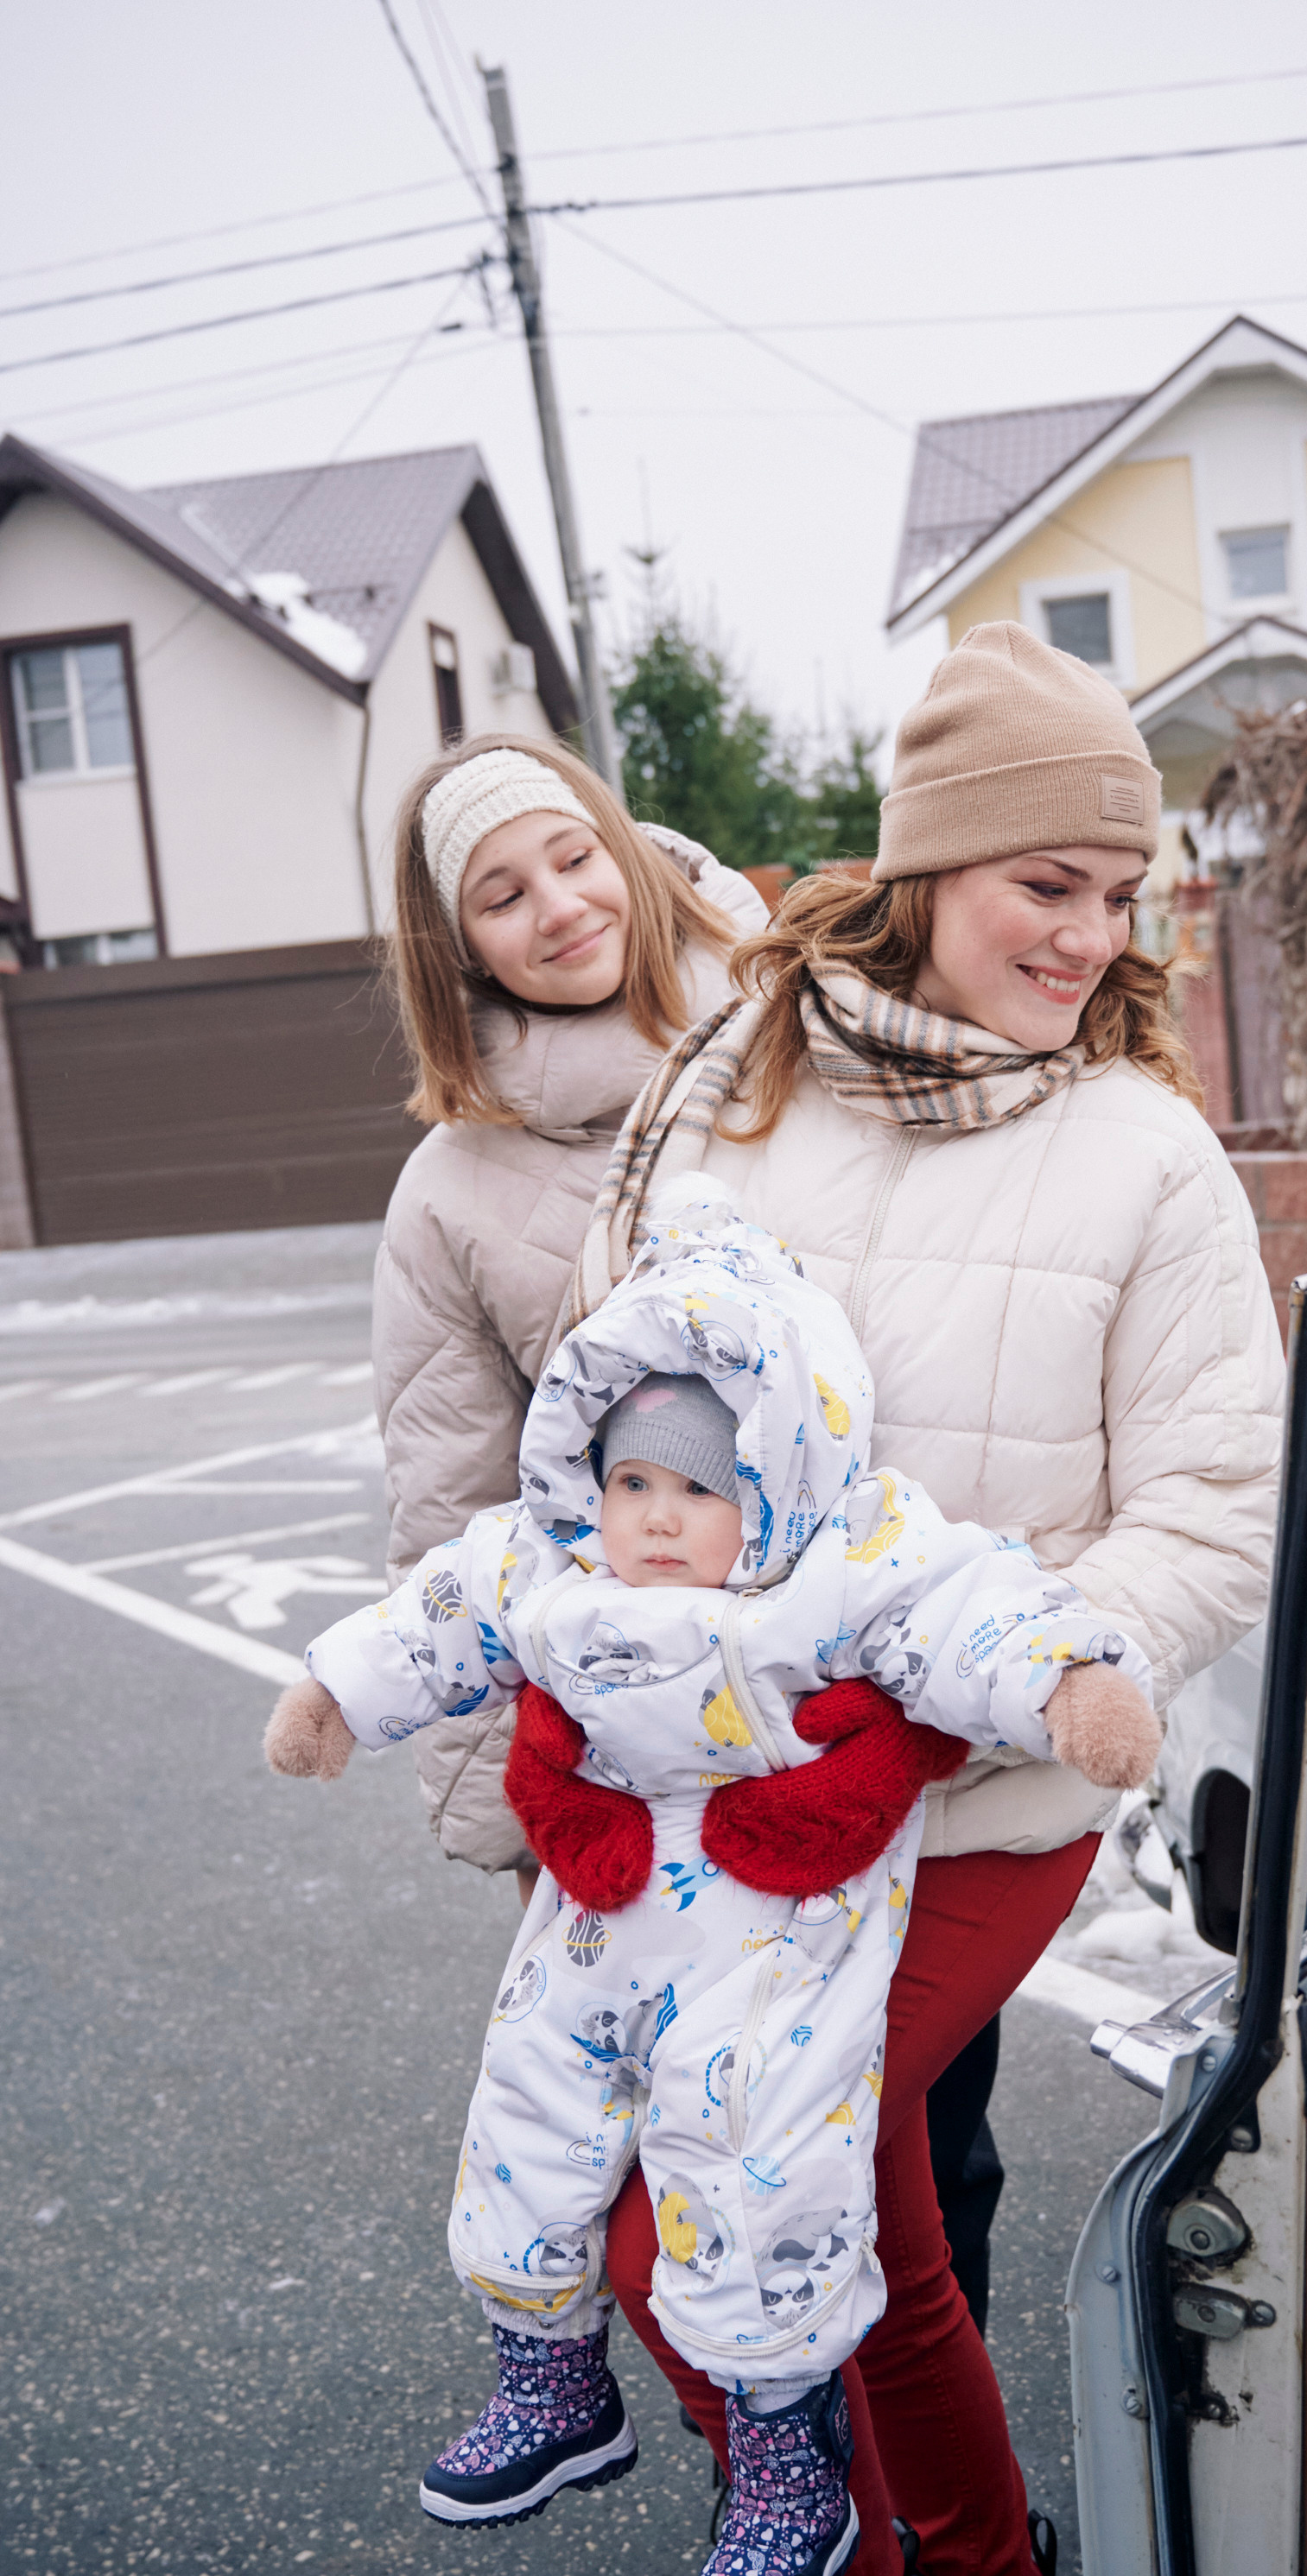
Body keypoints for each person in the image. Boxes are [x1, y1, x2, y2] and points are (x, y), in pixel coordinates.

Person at [563, 621, 1287, 2576]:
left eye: (1120, 896)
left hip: (979, 1797)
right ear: (924, 869)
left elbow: (1218, 1515)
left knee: (714, 2214)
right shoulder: (739, 1093)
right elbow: (613, 1406)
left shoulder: (1146, 1150)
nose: (1086, 937)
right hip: (733, 1787)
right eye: (1046, 884)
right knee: (824, 2219)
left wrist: (979, 1680)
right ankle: (964, 2563)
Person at [263, 1185, 1161, 2576]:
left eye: (700, 1488)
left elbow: (972, 1611)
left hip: (777, 1918)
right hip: (601, 1902)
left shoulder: (841, 1562)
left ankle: (792, 2468)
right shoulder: (547, 1559)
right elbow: (436, 1614)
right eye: (632, 1484)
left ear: (779, 1482)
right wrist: (333, 1693)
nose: (658, 1520)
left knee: (750, 2159)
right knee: (527, 2105)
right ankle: (551, 2378)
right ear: (588, 1475)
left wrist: (1072, 1687)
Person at [372, 733, 766, 1896]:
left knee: (926, 2078)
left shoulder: (797, 1042)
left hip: (857, 1687)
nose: (558, 907)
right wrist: (498, 1800)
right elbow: (452, 1505)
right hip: (632, 1743)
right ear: (462, 950)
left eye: (573, 856)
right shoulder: (450, 1192)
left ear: (627, 853)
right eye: (502, 896)